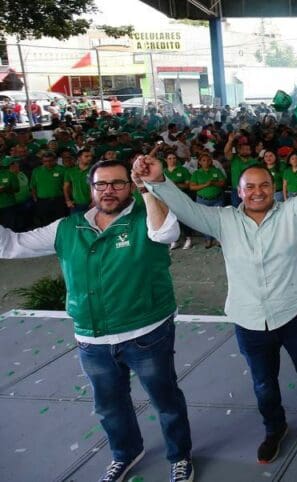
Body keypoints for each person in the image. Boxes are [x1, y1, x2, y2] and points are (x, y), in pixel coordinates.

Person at [137, 144, 297, 464]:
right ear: (239, 192)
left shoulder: (291, 213)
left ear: (274, 188)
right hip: (250, 319)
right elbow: (186, 208)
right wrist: (158, 181)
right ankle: (275, 428)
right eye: (250, 187)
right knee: (263, 383)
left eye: (265, 185)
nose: (258, 192)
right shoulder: (222, 220)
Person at [0, 159, 195, 482]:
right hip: (93, 340)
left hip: (146, 334)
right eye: (101, 184)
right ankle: (126, 453)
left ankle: (180, 456)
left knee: (166, 401)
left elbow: (166, 233)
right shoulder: (67, 228)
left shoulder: (146, 216)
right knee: (109, 406)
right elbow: (9, 245)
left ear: (129, 186)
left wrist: (147, 189)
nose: (109, 191)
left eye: (118, 183)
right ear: (90, 189)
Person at [188, 153, 226, 249]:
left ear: (211, 161)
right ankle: (208, 239)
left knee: (218, 219)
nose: (206, 162)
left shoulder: (216, 171)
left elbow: (223, 183)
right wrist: (206, 185)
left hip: (217, 199)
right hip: (202, 200)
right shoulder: (196, 173)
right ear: (200, 162)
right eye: (203, 160)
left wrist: (214, 183)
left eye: (208, 160)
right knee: (205, 220)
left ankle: (218, 238)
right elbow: (192, 187)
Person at [30, 150, 67, 226]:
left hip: (58, 201)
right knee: (44, 223)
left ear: (55, 160)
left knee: (60, 223)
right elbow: (33, 186)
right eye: (45, 161)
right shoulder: (36, 171)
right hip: (42, 202)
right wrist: (35, 199)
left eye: (50, 161)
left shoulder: (62, 170)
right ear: (42, 161)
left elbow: (67, 186)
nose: (48, 163)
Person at [63, 150, 93, 214]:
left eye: (91, 156)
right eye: (86, 156)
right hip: (75, 204)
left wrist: (95, 201)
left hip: (92, 204)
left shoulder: (95, 170)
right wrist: (68, 200)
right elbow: (66, 187)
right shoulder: (70, 171)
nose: (90, 158)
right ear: (79, 158)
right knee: (76, 223)